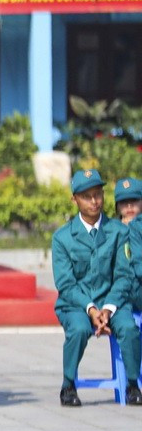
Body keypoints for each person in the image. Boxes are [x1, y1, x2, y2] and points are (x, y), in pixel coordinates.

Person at [52, 169, 141, 407]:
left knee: (129, 328)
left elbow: (124, 275)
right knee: (79, 329)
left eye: (98, 194)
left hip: (112, 301)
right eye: (86, 196)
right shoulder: (62, 237)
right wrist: (91, 308)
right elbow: (66, 284)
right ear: (74, 200)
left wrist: (108, 308)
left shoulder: (119, 232)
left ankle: (133, 384)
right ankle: (68, 385)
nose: (94, 201)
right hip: (76, 304)